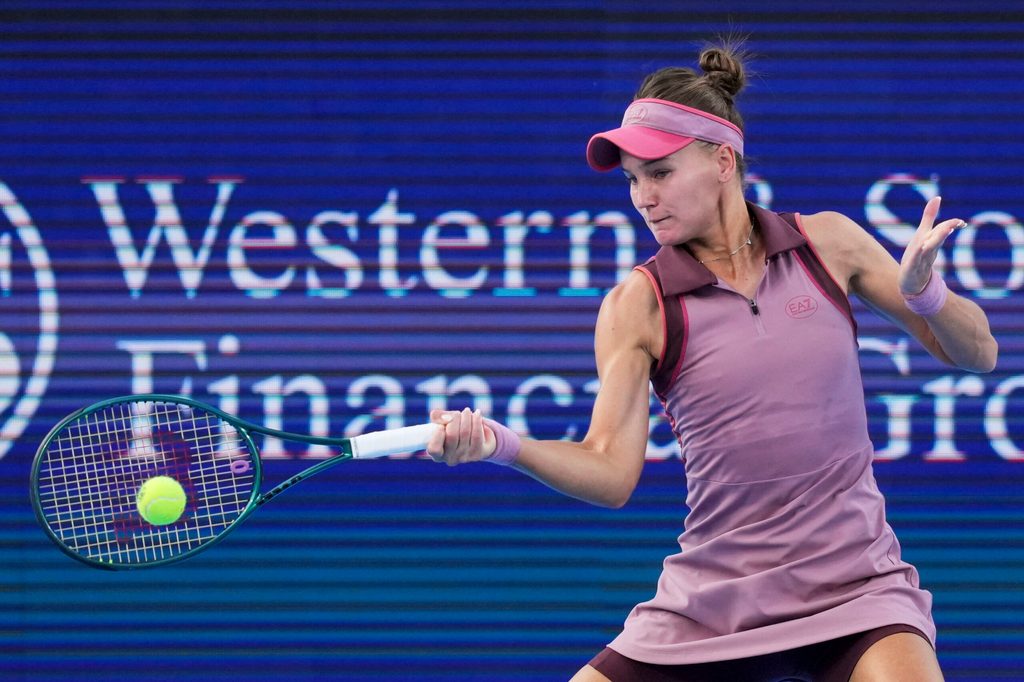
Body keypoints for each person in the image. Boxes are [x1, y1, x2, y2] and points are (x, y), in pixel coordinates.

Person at [426, 42, 997, 681]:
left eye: (661, 172)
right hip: (712, 604)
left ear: (723, 159)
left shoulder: (827, 243)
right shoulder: (637, 304)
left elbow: (979, 352)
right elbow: (611, 472)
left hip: (857, 588)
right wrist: (502, 445)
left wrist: (927, 294)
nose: (643, 197)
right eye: (632, 180)